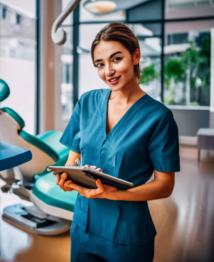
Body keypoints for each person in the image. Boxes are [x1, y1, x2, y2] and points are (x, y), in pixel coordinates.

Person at [56, 22, 180, 262]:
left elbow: (165, 185)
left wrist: (113, 194)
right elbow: (73, 160)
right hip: (83, 223)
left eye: (116, 59)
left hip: (127, 234)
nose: (108, 71)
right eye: (100, 65)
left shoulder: (159, 117)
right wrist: (66, 178)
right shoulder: (87, 102)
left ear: (136, 56)